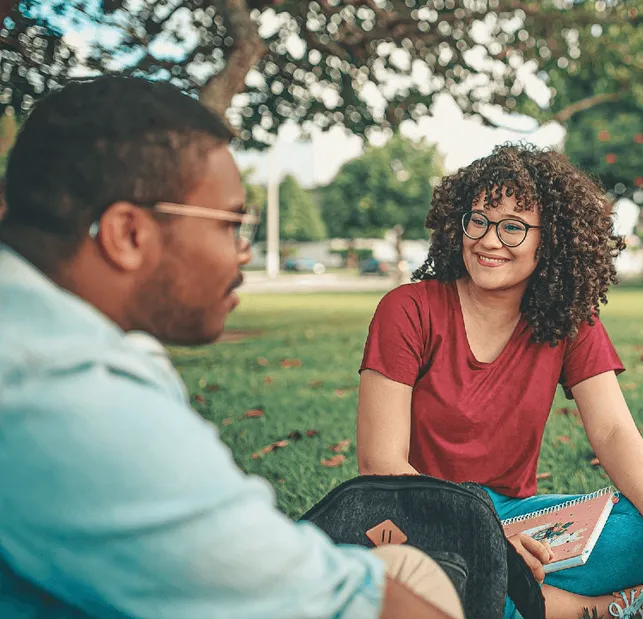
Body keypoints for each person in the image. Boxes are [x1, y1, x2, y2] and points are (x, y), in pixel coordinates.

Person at [0, 75, 462, 619]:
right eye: (230, 224)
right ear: (129, 234)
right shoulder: (67, 395)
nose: (242, 252)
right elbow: (350, 605)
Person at [356, 143, 643, 618]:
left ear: (549, 239)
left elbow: (612, 430)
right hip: (419, 518)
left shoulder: (568, 320)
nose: (490, 241)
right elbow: (379, 464)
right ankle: (596, 609)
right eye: (479, 220)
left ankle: (506, 597)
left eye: (513, 227)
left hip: (515, 519)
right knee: (421, 577)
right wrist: (487, 541)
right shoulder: (407, 310)